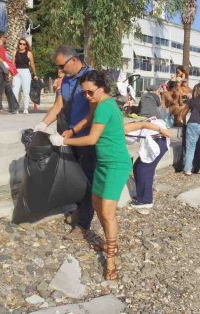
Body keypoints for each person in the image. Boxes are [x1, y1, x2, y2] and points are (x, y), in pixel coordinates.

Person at [48, 70, 132, 280]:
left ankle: (111, 260)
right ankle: (110, 242)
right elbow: (87, 118)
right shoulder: (99, 103)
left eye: (90, 92)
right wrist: (72, 130)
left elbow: (92, 139)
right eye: (84, 93)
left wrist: (63, 141)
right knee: (96, 204)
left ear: (102, 88)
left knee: (107, 212)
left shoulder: (105, 106)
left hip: (116, 164)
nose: (87, 97)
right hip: (103, 163)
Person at [33, 45, 94, 240]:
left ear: (73, 60)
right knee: (75, 177)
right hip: (68, 136)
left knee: (88, 181)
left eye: (61, 66)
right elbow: (58, 105)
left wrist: (75, 131)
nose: (59, 70)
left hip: (87, 138)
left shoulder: (91, 78)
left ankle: (83, 224)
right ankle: (78, 209)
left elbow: (95, 112)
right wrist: (42, 125)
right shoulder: (66, 80)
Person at [124, 120, 171, 209]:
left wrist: (161, 130)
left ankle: (145, 201)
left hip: (158, 140)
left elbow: (144, 124)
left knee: (143, 169)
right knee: (138, 166)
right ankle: (142, 195)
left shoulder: (124, 127)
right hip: (158, 140)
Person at [12, 38, 38, 114]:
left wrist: (35, 74)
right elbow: (13, 64)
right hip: (16, 72)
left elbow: (32, 64)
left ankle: (26, 108)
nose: (22, 45)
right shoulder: (15, 52)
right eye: (20, 43)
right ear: (18, 44)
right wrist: (11, 74)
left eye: (24, 44)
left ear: (26, 45)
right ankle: (15, 108)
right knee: (15, 91)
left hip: (25, 71)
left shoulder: (29, 53)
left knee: (26, 91)